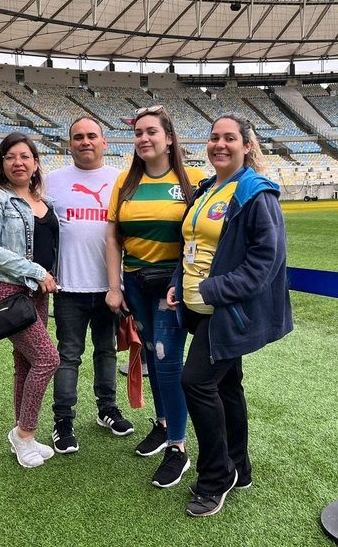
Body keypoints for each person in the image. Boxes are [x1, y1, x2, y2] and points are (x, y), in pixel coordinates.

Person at [167, 113, 293, 516]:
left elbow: (265, 260)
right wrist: (177, 281)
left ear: (247, 146)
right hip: (200, 309)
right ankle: (240, 467)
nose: (220, 145)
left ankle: (215, 478)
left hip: (225, 311)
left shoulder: (256, 193)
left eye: (229, 139)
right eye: (214, 138)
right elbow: (190, 245)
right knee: (226, 387)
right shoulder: (207, 189)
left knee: (196, 383)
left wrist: (211, 290)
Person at [105, 105, 207, 488]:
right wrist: (115, 287)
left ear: (168, 137)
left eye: (152, 132)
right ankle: (164, 425)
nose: (144, 139)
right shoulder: (124, 182)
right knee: (149, 352)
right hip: (134, 283)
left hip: (172, 285)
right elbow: (113, 238)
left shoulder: (193, 180)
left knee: (166, 361)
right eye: (138, 133)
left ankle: (178, 449)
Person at [46, 117, 134, 455]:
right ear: (69, 144)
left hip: (111, 286)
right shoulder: (52, 180)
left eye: (92, 136)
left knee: (107, 351)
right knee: (68, 355)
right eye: (78, 137)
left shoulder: (121, 179)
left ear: (104, 142)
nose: (85, 142)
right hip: (68, 287)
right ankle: (63, 420)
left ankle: (107, 410)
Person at [0, 132, 61, 469]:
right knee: (47, 359)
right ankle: (24, 434)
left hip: (37, 292)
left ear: (36, 163)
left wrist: (49, 277)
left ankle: (23, 436)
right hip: (9, 289)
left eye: (25, 156)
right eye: (10, 157)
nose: (18, 162)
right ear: (1, 163)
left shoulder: (45, 202)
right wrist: (37, 271)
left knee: (25, 363)